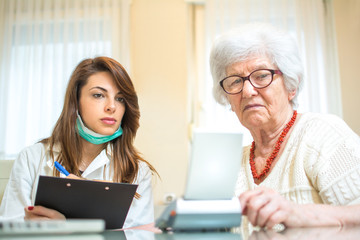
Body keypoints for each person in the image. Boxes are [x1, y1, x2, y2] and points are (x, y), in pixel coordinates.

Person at [209, 23, 360, 229]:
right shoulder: (231, 166)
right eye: (235, 81)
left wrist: (297, 212)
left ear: (291, 85)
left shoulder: (323, 134)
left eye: (261, 75)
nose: (247, 91)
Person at [0, 56, 158, 228]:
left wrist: (71, 225)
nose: (111, 106)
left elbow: (141, 235)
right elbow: (9, 231)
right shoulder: (31, 158)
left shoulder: (138, 171)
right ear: (76, 103)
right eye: (99, 95)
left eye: (120, 99)